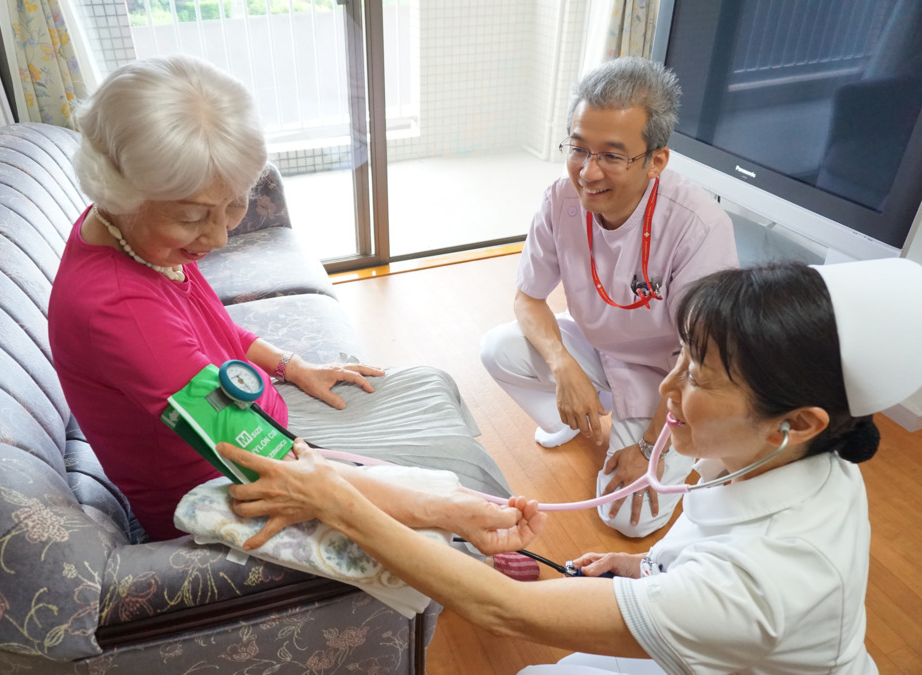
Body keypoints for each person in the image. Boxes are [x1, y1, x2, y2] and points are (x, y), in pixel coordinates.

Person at [221, 257, 922, 674]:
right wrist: (644, 568)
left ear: (795, 423)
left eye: (700, 376)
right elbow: (712, 547)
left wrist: (337, 503)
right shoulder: (789, 458)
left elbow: (503, 605)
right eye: (678, 356)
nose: (668, 390)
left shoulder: (768, 583)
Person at [47, 54, 515, 547]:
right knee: (458, 488)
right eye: (192, 217)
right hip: (230, 484)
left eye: (233, 204)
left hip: (252, 426)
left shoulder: (124, 233)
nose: (219, 237)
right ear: (117, 190)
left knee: (429, 387)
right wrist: (441, 509)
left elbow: (209, 330)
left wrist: (292, 366)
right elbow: (264, 457)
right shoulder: (119, 310)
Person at [479, 57, 739, 537]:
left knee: (625, 522)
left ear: (656, 160)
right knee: (498, 349)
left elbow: (702, 362)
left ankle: (663, 445)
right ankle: (588, 418)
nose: (587, 172)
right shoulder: (560, 199)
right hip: (598, 349)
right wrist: (564, 367)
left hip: (670, 379)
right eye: (578, 148)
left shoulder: (698, 227)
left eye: (612, 156)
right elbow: (527, 299)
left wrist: (645, 448)